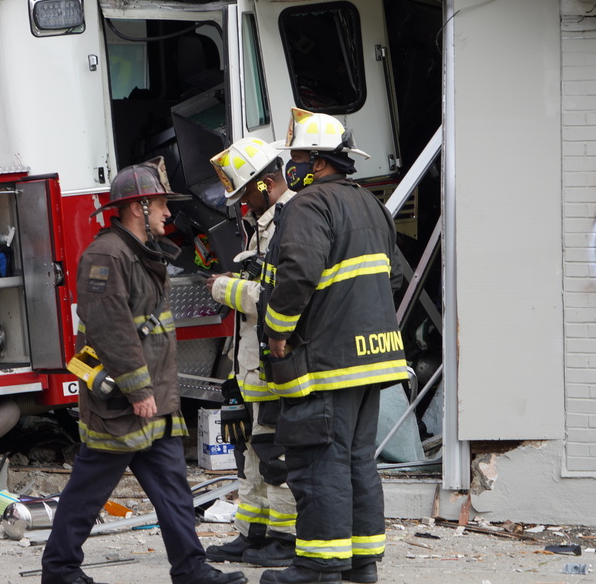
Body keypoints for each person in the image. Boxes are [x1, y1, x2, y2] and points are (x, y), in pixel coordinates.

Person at [40, 158, 247, 584]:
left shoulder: (139, 253)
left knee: (174, 491)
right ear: (139, 208)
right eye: (160, 205)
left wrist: (153, 393)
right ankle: (59, 571)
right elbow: (110, 328)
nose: (168, 214)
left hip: (156, 400)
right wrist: (137, 390)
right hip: (123, 404)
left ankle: (191, 569)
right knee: (87, 493)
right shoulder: (105, 256)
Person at [257, 109, 408, 584]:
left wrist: (278, 332)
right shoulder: (370, 204)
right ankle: (361, 566)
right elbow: (398, 277)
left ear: (319, 162)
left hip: (327, 361)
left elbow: (298, 273)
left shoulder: (308, 205)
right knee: (357, 461)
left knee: (319, 460)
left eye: (298, 156)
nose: (292, 166)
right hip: (374, 359)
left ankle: (319, 569)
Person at [203, 138, 298, 568]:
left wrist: (225, 287)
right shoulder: (264, 223)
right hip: (252, 369)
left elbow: (279, 296)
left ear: (265, 183)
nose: (242, 205)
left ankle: (284, 538)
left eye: (246, 194)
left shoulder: (292, 220)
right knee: (252, 456)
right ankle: (252, 534)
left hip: (277, 365)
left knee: (277, 457)